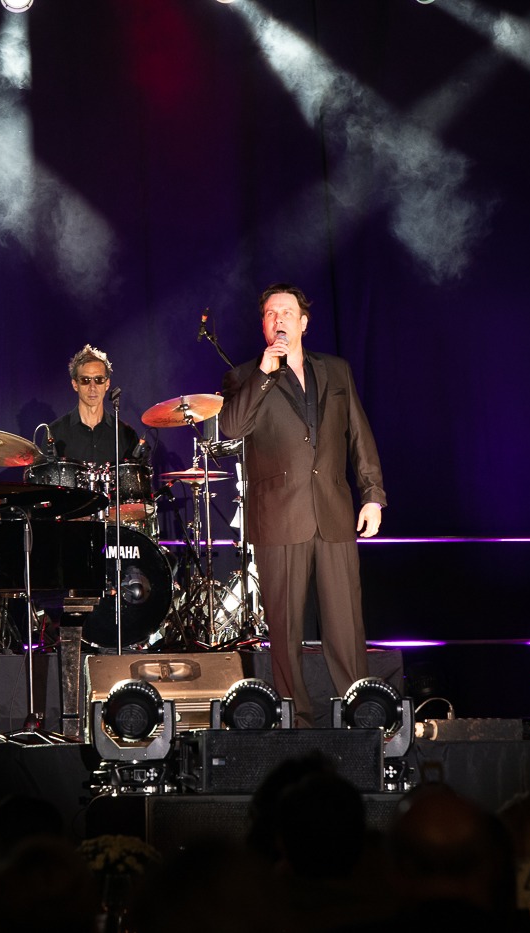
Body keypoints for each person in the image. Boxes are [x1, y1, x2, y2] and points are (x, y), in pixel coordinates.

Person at [220, 284, 386, 727]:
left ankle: (361, 715)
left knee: (346, 626)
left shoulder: (336, 371)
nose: (279, 320)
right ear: (264, 324)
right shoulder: (244, 376)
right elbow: (230, 427)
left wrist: (372, 495)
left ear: (303, 322)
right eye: (271, 313)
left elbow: (359, 437)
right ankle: (297, 721)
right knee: (286, 630)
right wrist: (264, 372)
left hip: (332, 512)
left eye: (287, 312)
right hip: (278, 518)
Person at [48, 345, 142, 466]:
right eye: (85, 380)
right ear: (75, 384)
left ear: (107, 384)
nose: (92, 387)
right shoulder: (55, 432)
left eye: (98, 380)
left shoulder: (125, 435)